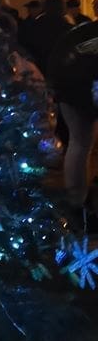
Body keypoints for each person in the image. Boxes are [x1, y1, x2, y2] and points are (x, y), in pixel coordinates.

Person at [47, 21, 98, 232]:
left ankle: (76, 203)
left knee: (79, 142)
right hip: (81, 86)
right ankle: (79, 204)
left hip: (68, 85)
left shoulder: (83, 31)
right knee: (81, 142)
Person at [24, 0, 70, 75]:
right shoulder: (68, 28)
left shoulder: (35, 25)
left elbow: (28, 46)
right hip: (63, 68)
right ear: (62, 8)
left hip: (40, 67)